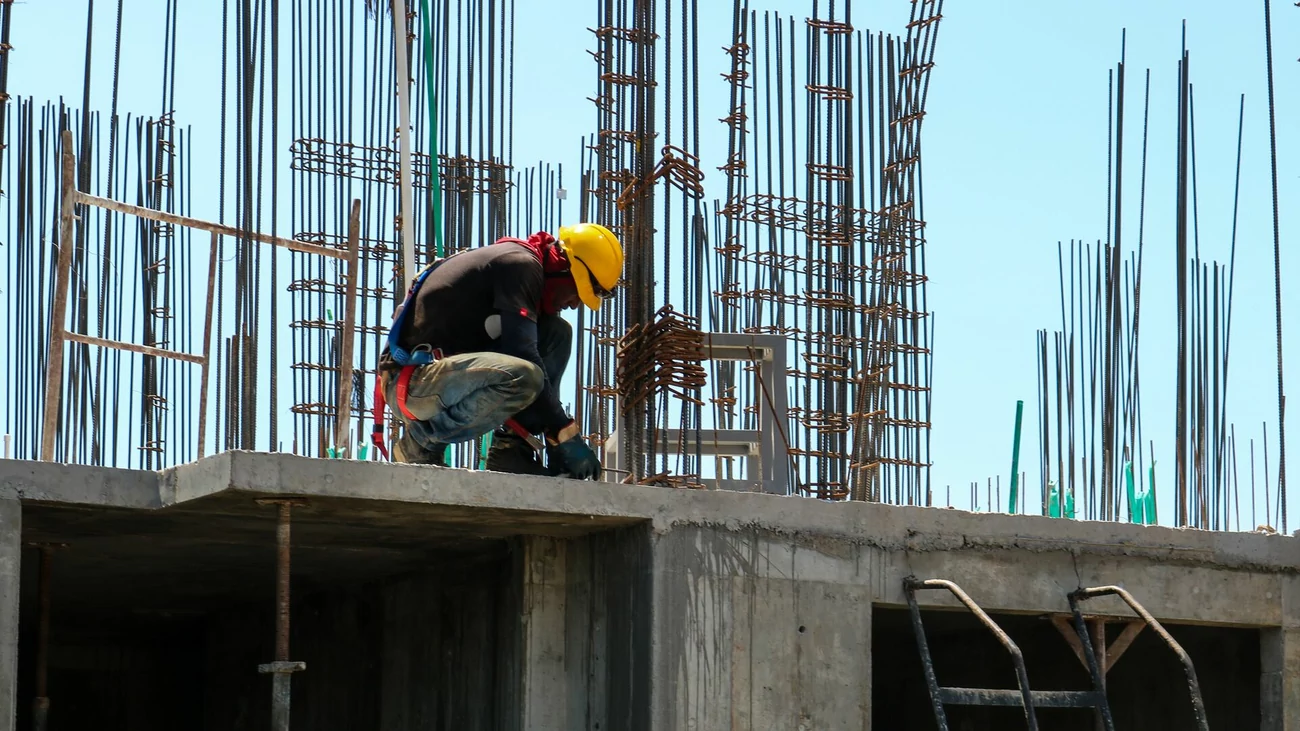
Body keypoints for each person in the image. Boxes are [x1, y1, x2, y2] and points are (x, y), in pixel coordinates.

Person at [373, 223, 622, 479]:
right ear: (563, 269)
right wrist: (564, 431)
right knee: (524, 375)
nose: (574, 304)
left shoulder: (521, 265)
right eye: (577, 292)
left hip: (444, 377)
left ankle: (511, 451)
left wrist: (554, 436)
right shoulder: (519, 265)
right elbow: (523, 354)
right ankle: (421, 443)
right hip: (413, 382)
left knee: (556, 334)